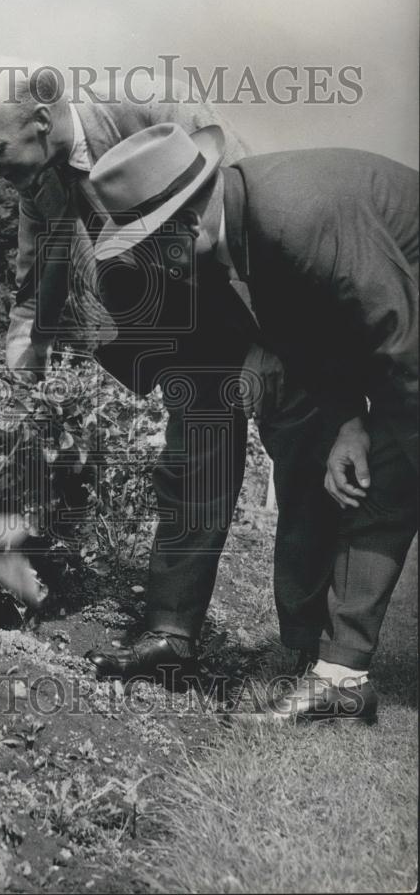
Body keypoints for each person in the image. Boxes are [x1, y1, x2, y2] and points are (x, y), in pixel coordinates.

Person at [0, 62, 340, 687]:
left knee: (302, 460)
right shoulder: (35, 175)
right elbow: (37, 267)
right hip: (183, 326)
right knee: (195, 468)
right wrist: (24, 339)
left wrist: (274, 340)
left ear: (42, 120)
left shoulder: (155, 108)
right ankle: (170, 632)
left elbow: (249, 209)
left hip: (253, 301)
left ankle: (304, 647)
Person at [88, 122, 418, 722]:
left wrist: (383, 430)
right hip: (394, 314)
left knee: (395, 466)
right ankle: (341, 674)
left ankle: (342, 675)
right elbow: (313, 336)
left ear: (184, 223)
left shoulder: (295, 217)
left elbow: (401, 345)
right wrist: (347, 421)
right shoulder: (242, 237)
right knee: (368, 466)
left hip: (408, 311)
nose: (151, 265)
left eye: (149, 247)